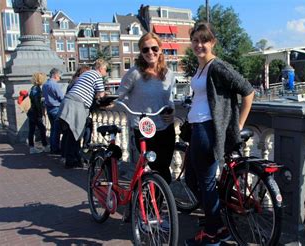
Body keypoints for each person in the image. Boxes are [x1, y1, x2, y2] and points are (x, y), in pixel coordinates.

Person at [184, 23, 255, 246]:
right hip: (197, 128)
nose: (199, 45)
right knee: (193, 179)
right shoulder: (200, 68)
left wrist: (236, 126)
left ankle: (212, 234)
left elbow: (248, 91)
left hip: (207, 130)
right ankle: (218, 226)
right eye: (195, 40)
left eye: (204, 40)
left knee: (205, 183)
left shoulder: (217, 67)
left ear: (212, 42)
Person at [117, 32, 176, 184]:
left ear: (161, 49)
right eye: (145, 49)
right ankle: (152, 204)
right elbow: (119, 95)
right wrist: (108, 102)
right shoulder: (134, 73)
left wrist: (173, 112)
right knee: (157, 170)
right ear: (141, 52)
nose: (150, 52)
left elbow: (169, 99)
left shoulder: (169, 74)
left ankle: (158, 202)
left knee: (164, 167)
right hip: (144, 128)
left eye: (154, 48)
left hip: (165, 126)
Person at [58, 59, 108, 168]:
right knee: (76, 133)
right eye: (105, 69)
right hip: (77, 104)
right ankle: (71, 161)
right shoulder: (97, 75)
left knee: (71, 133)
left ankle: (72, 158)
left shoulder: (87, 73)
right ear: (101, 68)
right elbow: (101, 94)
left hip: (68, 102)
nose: (106, 72)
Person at [42, 68, 64, 154]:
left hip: (49, 108)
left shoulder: (45, 84)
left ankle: (52, 147)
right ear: (55, 75)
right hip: (56, 108)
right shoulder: (54, 85)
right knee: (57, 130)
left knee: (53, 129)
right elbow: (61, 98)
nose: (60, 78)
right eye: (59, 76)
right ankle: (55, 148)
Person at [26, 73, 50, 154]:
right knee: (42, 129)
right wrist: (40, 113)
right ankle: (45, 146)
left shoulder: (33, 88)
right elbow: (37, 102)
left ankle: (31, 147)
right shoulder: (37, 89)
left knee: (31, 130)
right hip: (35, 113)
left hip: (31, 112)